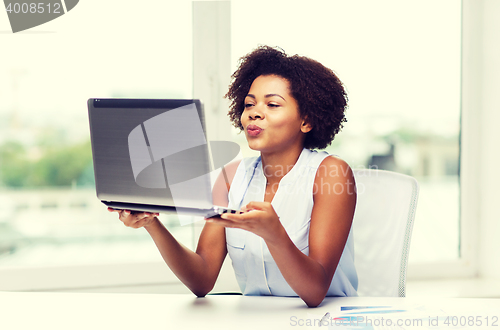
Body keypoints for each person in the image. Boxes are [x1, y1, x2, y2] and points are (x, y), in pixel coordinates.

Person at [110, 46, 357, 307]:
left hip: (322, 320)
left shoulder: (331, 174)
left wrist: (274, 234)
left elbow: (315, 291)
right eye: (249, 103)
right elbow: (202, 279)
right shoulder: (232, 175)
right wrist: (151, 222)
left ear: (306, 121)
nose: (254, 112)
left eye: (272, 104)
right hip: (255, 319)